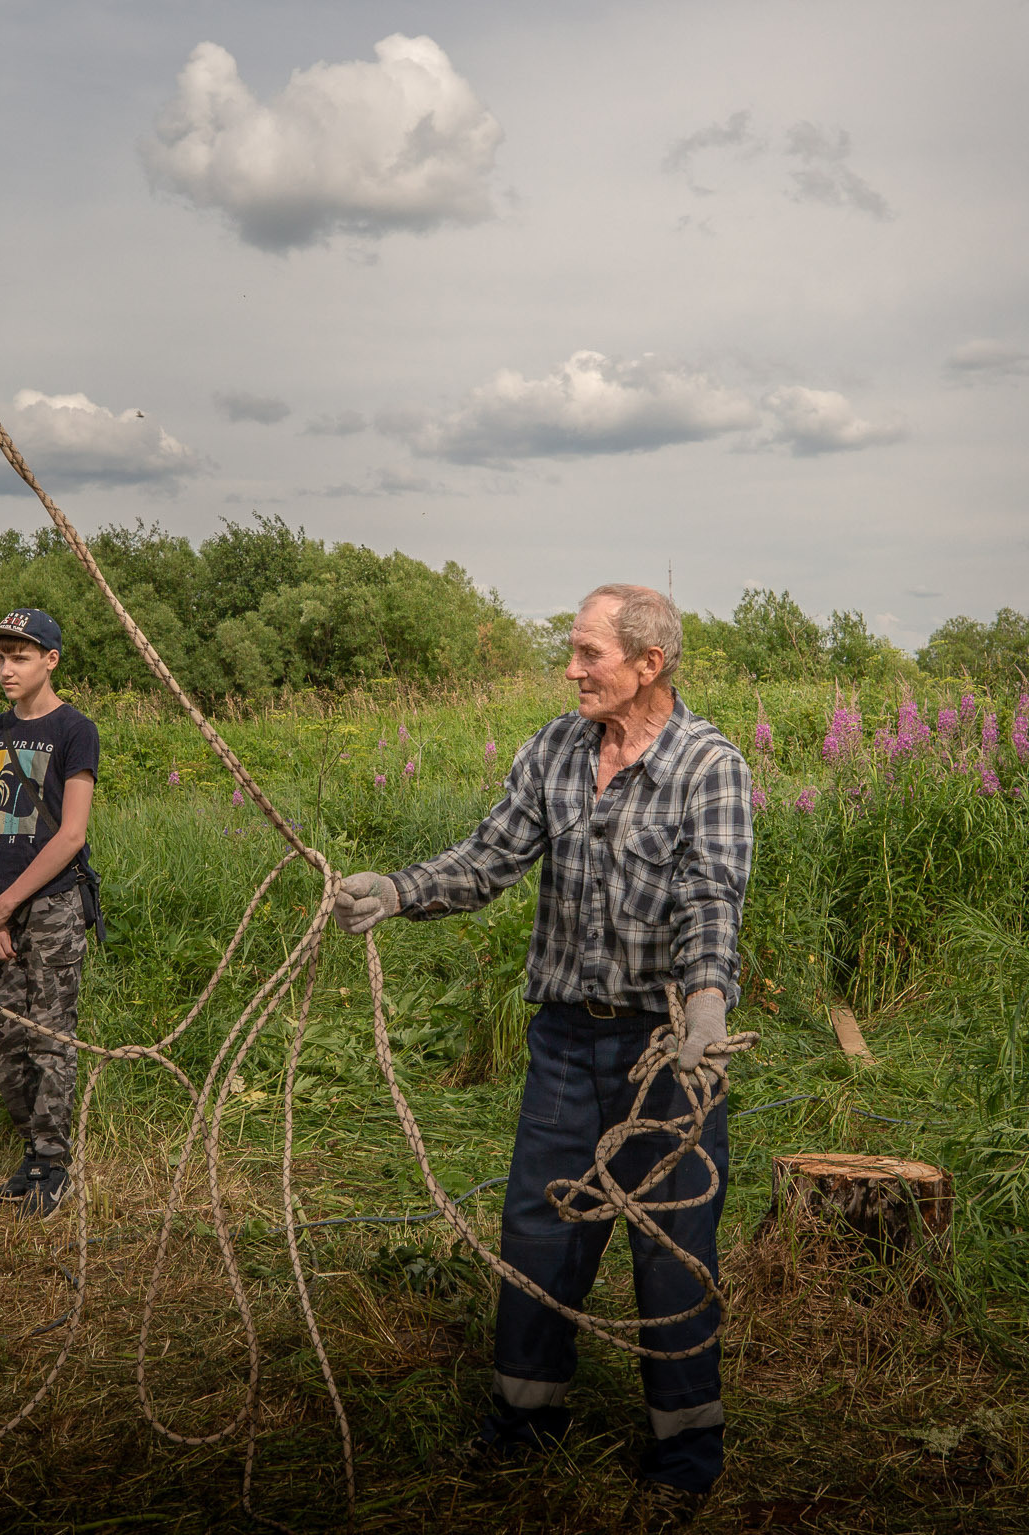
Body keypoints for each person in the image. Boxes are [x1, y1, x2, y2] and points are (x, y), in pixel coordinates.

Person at [334, 584, 752, 1532]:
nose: (570, 670)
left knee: (673, 1248)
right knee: (540, 1230)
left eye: (588, 654)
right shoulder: (556, 750)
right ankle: (523, 1423)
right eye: (571, 652)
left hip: (665, 1051)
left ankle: (685, 1453)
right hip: (564, 1038)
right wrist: (396, 891)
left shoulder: (707, 765)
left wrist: (706, 1007)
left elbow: (710, 900)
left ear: (649, 665)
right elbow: (489, 856)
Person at [0, 608, 101, 1217]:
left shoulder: (75, 730)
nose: (6, 668)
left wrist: (8, 906)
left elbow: (71, 835)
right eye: (0, 657)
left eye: (19, 656)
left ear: (50, 660)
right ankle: (29, 1151)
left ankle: (53, 1162)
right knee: (4, 1038)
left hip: (50, 905)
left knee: (49, 1035)